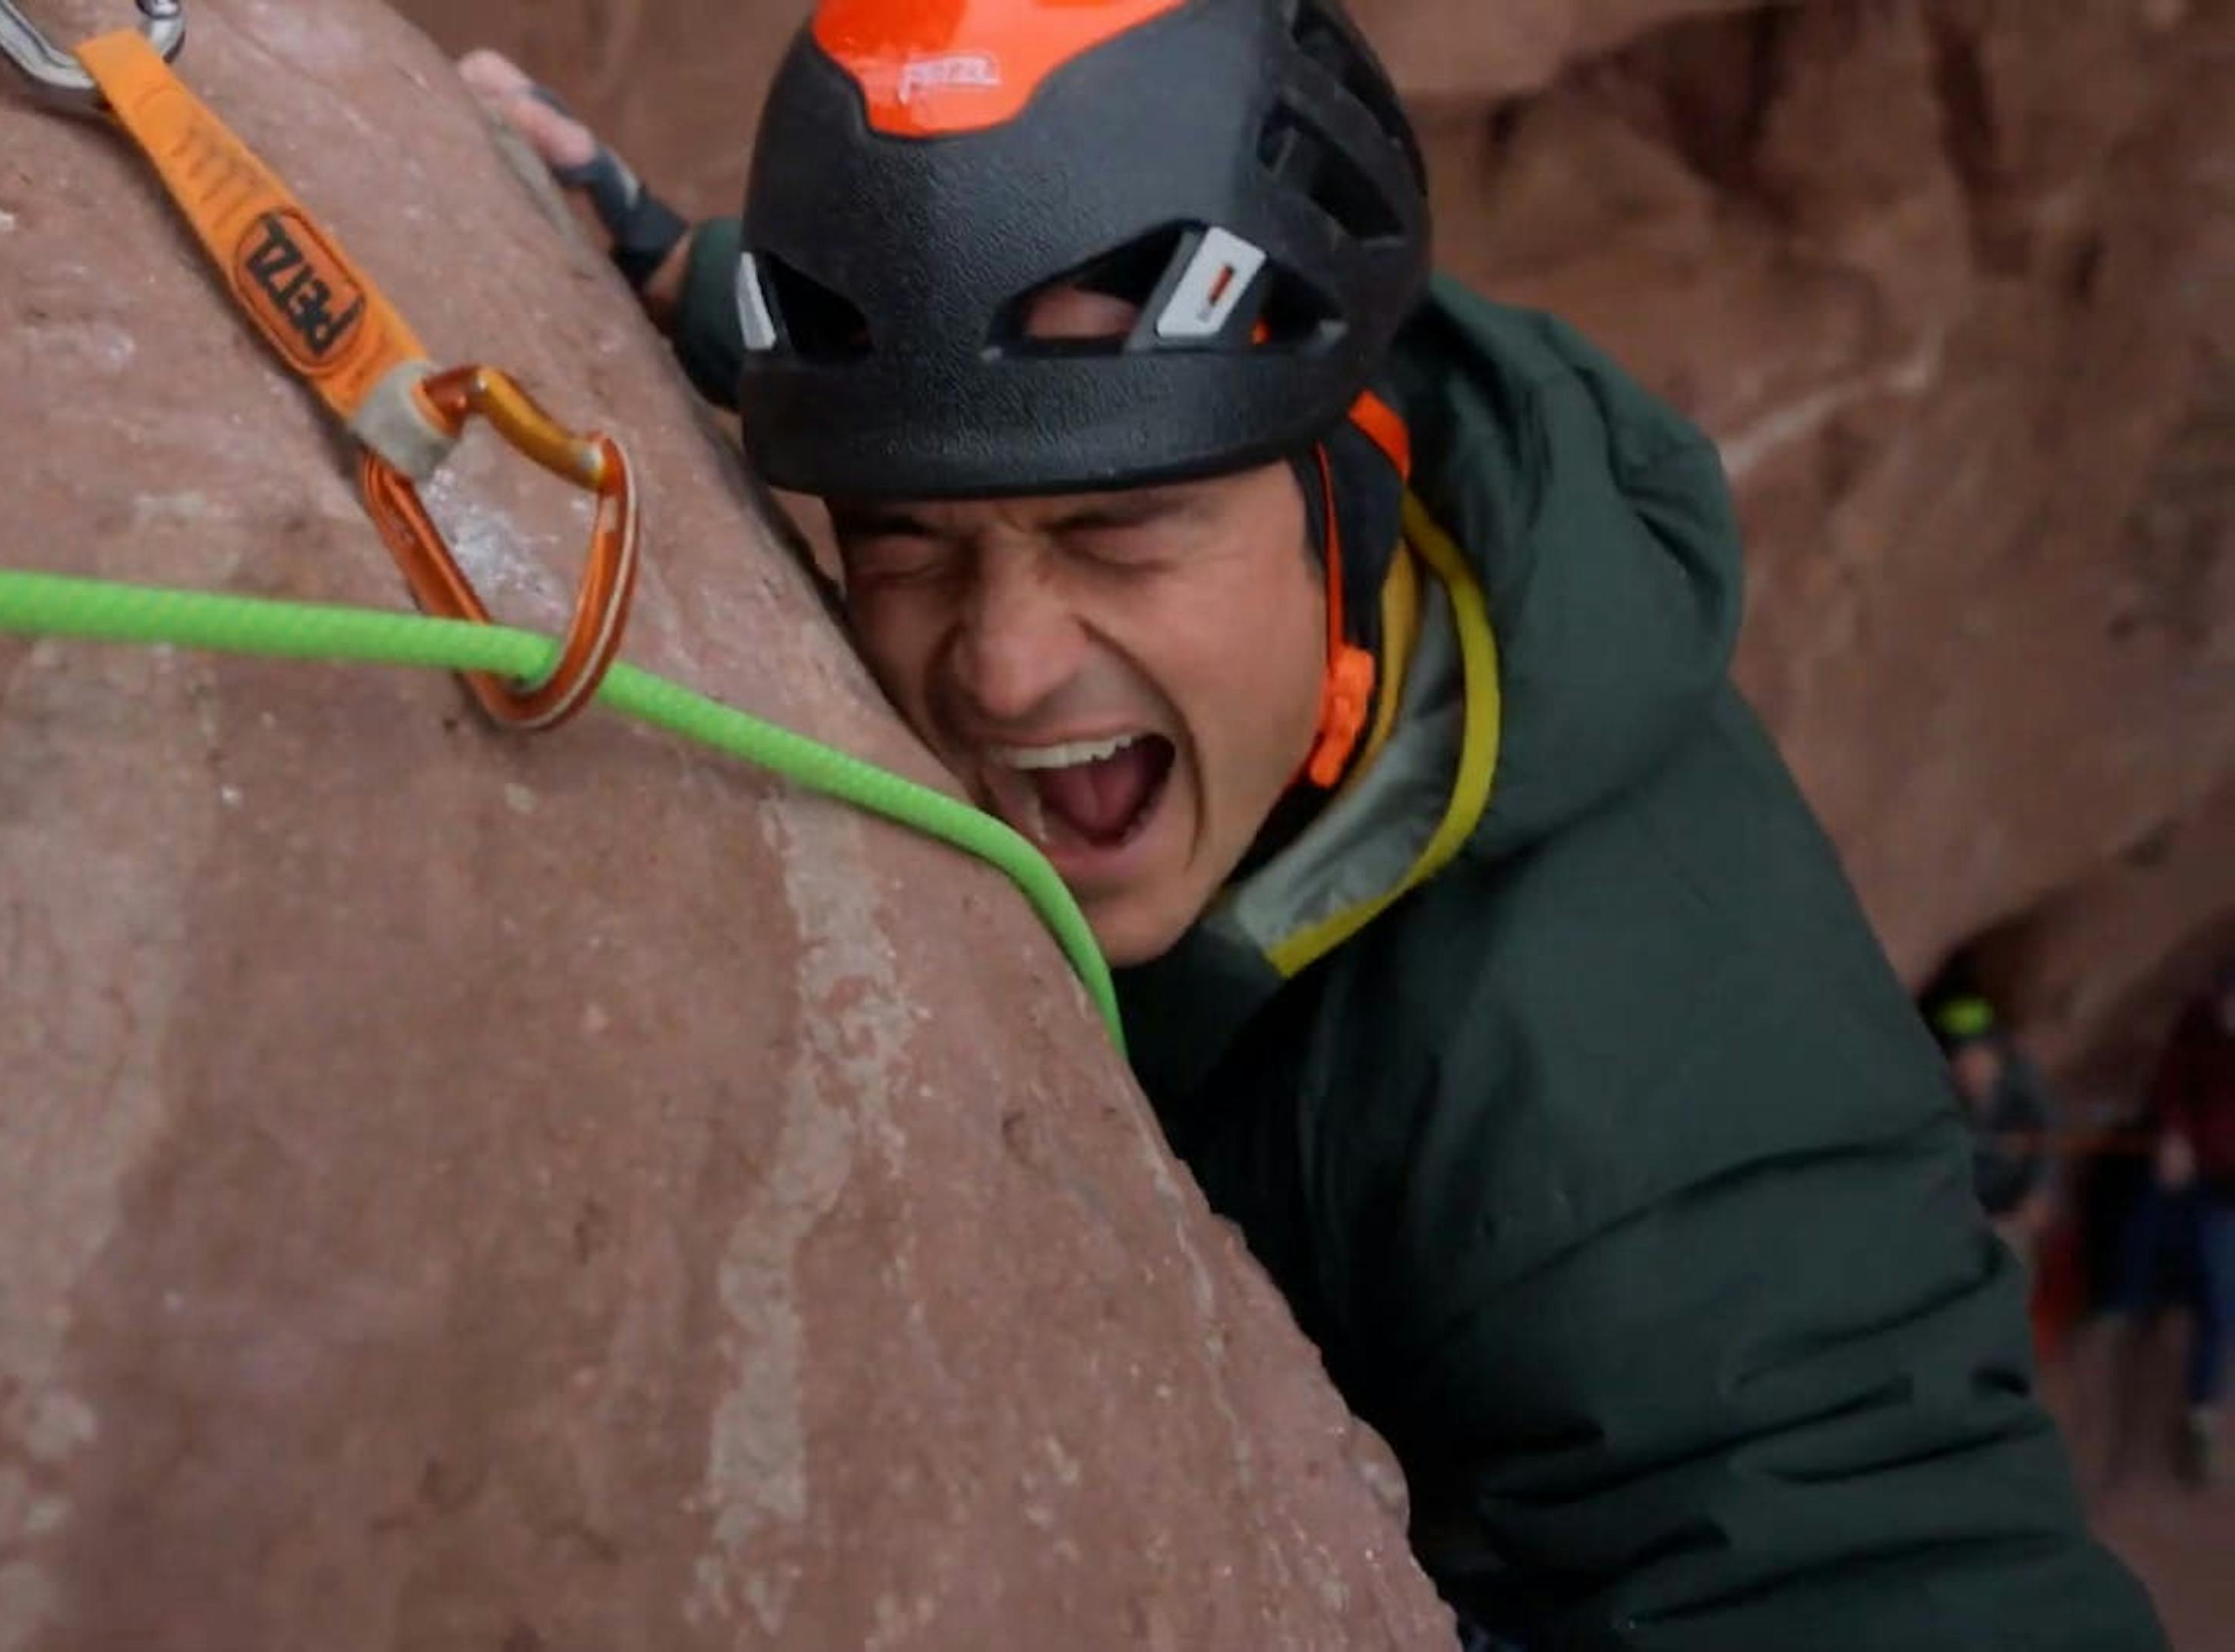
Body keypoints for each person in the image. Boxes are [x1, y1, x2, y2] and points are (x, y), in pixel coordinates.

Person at [463, 2, 2165, 1644]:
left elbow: (1894, 1559)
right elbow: (1019, 387)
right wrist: (686, 280)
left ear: (1343, 496)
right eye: (906, 533)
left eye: (1122, 527)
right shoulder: (1264, 440)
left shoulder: (1624, 1118)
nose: (1000, 659)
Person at [2107, 962, 2235, 1486]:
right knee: (2144, 1221)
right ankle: (2122, 1308)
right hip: (2192, 1174)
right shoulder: (2198, 1022)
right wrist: (2176, 1133)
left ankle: (2201, 1412)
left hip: (2227, 1188)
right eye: (2227, 999)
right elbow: (2172, 1082)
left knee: (2219, 1296)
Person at [1928, 991, 2062, 1262]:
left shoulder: (2021, 1084)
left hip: (2009, 1205)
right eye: (1962, 1058)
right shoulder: (1934, 1095)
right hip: (1959, 1209)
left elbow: (2047, 1134)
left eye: (1979, 1055)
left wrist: (2039, 1188)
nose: (1972, 1067)